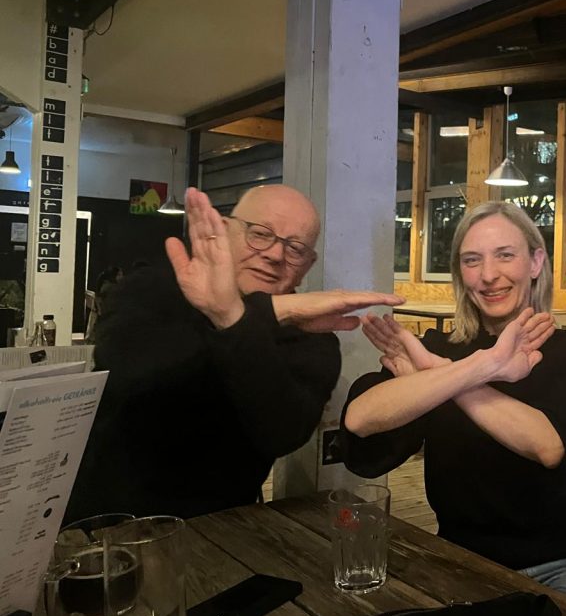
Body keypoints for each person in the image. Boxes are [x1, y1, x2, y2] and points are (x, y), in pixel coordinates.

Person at [338, 201, 566, 616]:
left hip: (565, 562)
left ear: (535, 262)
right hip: (457, 555)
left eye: (505, 255)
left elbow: (547, 446)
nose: (489, 275)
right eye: (472, 260)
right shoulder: (438, 347)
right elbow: (360, 421)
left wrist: (441, 376)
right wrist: (479, 367)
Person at [66, 185, 403, 521]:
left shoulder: (311, 339)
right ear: (225, 231)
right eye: (260, 234)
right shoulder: (155, 284)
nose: (275, 254)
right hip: (101, 521)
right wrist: (268, 311)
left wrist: (235, 317)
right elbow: (126, 370)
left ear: (308, 264)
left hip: (221, 528)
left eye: (295, 248)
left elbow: (282, 434)